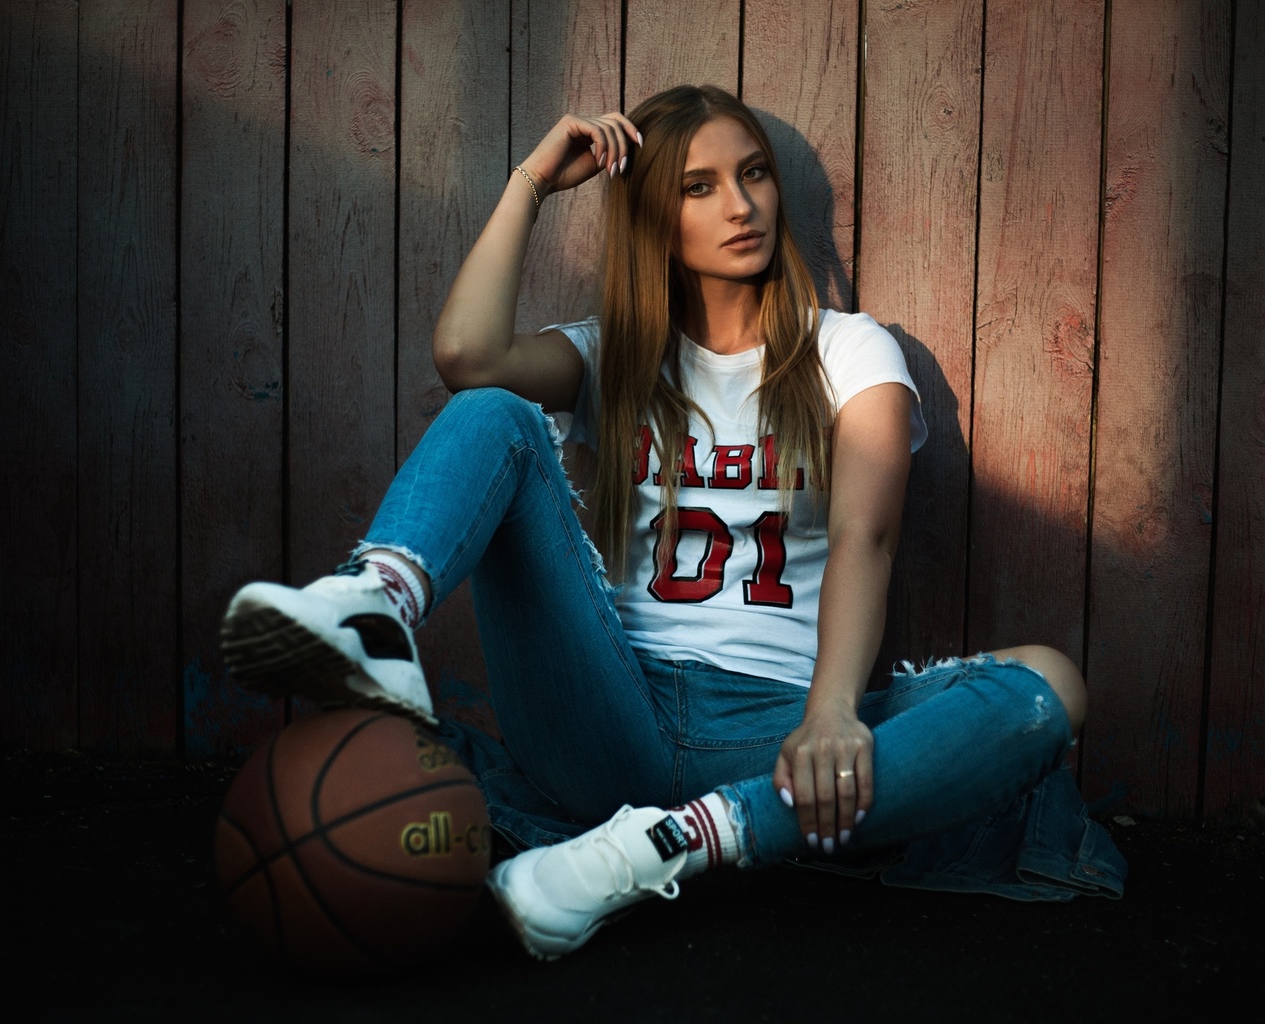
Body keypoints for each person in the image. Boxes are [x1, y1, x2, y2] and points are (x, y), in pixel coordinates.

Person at [221, 84, 1124, 962]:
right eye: (700, 187)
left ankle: (666, 846)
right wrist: (532, 182)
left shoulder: (850, 350)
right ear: (657, 216)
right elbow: (467, 353)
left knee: (1046, 685)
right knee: (495, 410)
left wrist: (832, 714)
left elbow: (865, 536)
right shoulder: (612, 353)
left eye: (755, 174)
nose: (741, 205)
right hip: (607, 707)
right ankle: (377, 601)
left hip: (767, 736)